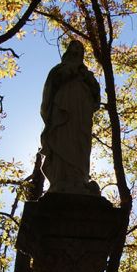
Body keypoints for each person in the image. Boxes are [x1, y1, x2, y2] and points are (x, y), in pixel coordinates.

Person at [39, 40, 101, 195]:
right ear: (68, 50)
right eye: (74, 46)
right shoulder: (59, 69)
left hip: (82, 114)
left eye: (80, 48)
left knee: (81, 143)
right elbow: (50, 88)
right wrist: (70, 72)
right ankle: (61, 180)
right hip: (63, 110)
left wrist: (88, 79)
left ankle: (79, 180)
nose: (78, 49)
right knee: (63, 139)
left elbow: (96, 97)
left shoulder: (87, 74)